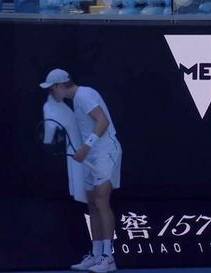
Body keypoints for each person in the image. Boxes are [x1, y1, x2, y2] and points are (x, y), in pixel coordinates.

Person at [40, 68, 122, 273]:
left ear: (60, 86)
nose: (51, 93)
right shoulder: (76, 100)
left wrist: (86, 147)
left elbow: (102, 121)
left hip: (105, 153)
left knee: (102, 201)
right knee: (92, 204)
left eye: (51, 89)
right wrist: (86, 150)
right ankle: (96, 255)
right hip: (92, 155)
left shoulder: (84, 95)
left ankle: (108, 258)